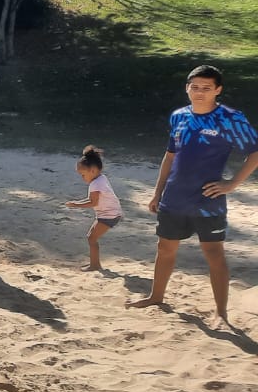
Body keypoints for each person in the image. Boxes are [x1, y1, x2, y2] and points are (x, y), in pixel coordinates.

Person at [127, 65, 258, 327]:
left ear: (218, 90)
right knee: (165, 248)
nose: (199, 92)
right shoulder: (179, 116)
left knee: (214, 253)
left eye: (206, 88)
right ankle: (156, 296)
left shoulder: (230, 118)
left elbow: (255, 152)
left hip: (208, 201)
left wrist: (232, 184)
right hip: (174, 197)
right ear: (187, 88)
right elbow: (170, 156)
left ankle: (221, 312)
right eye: (194, 87)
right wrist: (157, 192)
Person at [64, 145, 123, 271]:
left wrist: (76, 205)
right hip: (110, 213)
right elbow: (92, 200)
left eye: (83, 175)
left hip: (109, 215)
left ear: (93, 170)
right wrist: (77, 202)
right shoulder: (101, 178)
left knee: (92, 238)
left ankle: (95, 265)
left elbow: (93, 203)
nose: (82, 178)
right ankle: (95, 264)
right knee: (91, 237)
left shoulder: (95, 184)